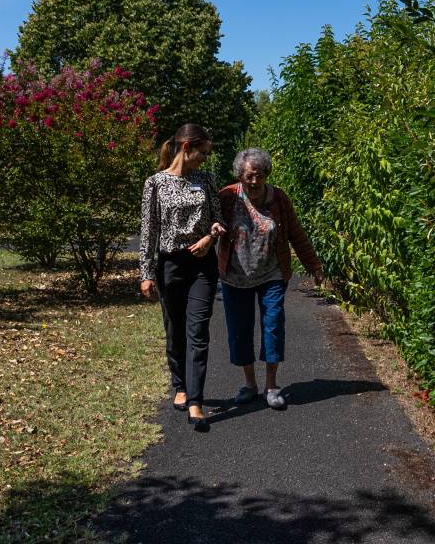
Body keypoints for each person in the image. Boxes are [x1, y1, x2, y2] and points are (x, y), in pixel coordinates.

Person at [217, 148, 324, 409]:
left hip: (272, 274)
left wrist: (314, 266)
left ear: (267, 175)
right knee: (240, 332)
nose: (254, 181)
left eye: (260, 175)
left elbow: (296, 234)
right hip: (235, 276)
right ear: (240, 175)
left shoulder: (279, 199)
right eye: (250, 175)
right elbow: (209, 226)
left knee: (273, 326)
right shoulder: (228, 197)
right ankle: (250, 384)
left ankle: (271, 385)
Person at [139, 124, 226, 431]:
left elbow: (218, 219)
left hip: (202, 265)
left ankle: (196, 402)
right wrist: (146, 274)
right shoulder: (155, 183)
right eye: (202, 153)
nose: (205, 159)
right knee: (174, 329)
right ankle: (180, 385)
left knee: (198, 331)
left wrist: (211, 237)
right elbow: (149, 231)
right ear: (186, 147)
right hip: (170, 265)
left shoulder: (206, 180)